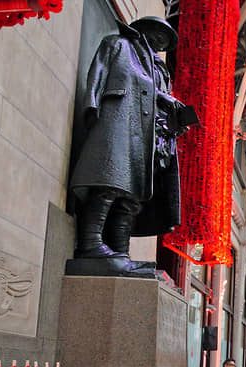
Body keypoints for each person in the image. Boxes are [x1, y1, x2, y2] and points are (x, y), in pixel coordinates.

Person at [69, 16, 197, 274]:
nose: (160, 44)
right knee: (109, 182)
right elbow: (107, 73)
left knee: (133, 197)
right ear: (144, 31)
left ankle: (121, 253)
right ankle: (90, 244)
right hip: (121, 122)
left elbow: (157, 99)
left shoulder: (160, 69)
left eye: (164, 43)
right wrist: (91, 106)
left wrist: (175, 120)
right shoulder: (119, 45)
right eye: (158, 37)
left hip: (149, 139)